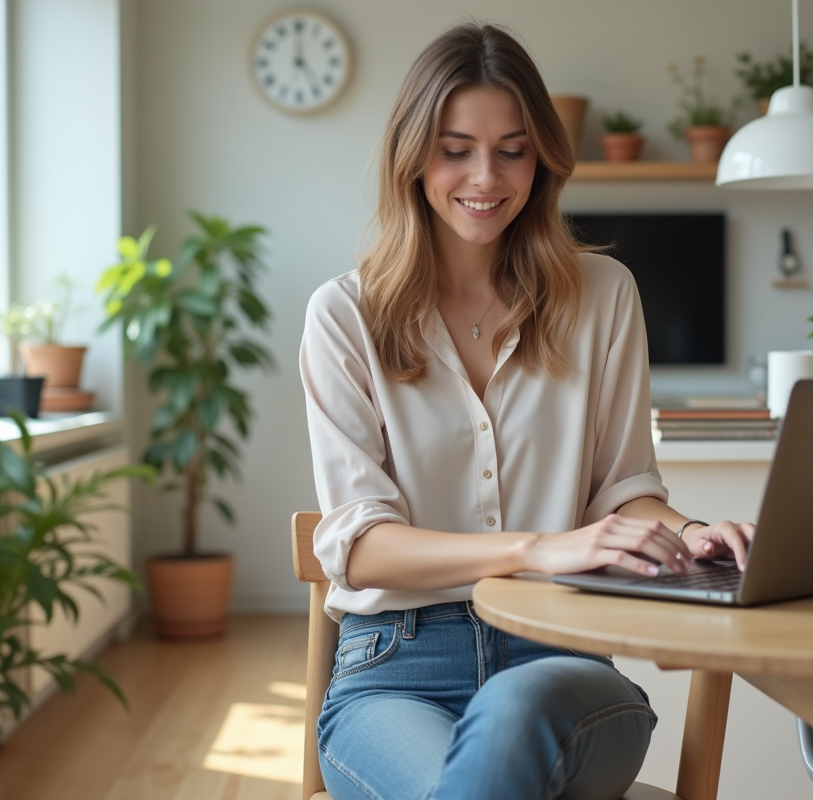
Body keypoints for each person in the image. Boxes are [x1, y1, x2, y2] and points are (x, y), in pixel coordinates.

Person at [300, 21, 755, 800]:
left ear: (541, 157)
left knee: (516, 711)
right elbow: (361, 547)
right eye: (456, 148)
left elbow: (623, 488)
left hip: (563, 660)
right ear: (413, 156)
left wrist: (686, 531)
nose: (486, 175)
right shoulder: (345, 316)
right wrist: (539, 548)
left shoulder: (605, 297)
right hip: (395, 672)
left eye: (512, 149)